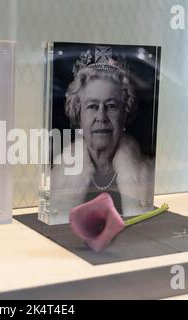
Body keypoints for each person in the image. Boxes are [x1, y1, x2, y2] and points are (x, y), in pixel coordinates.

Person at [50, 53, 154, 224]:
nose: (101, 116)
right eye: (92, 106)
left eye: (111, 106)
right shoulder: (57, 179)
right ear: (78, 114)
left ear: (125, 113)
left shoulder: (146, 175)